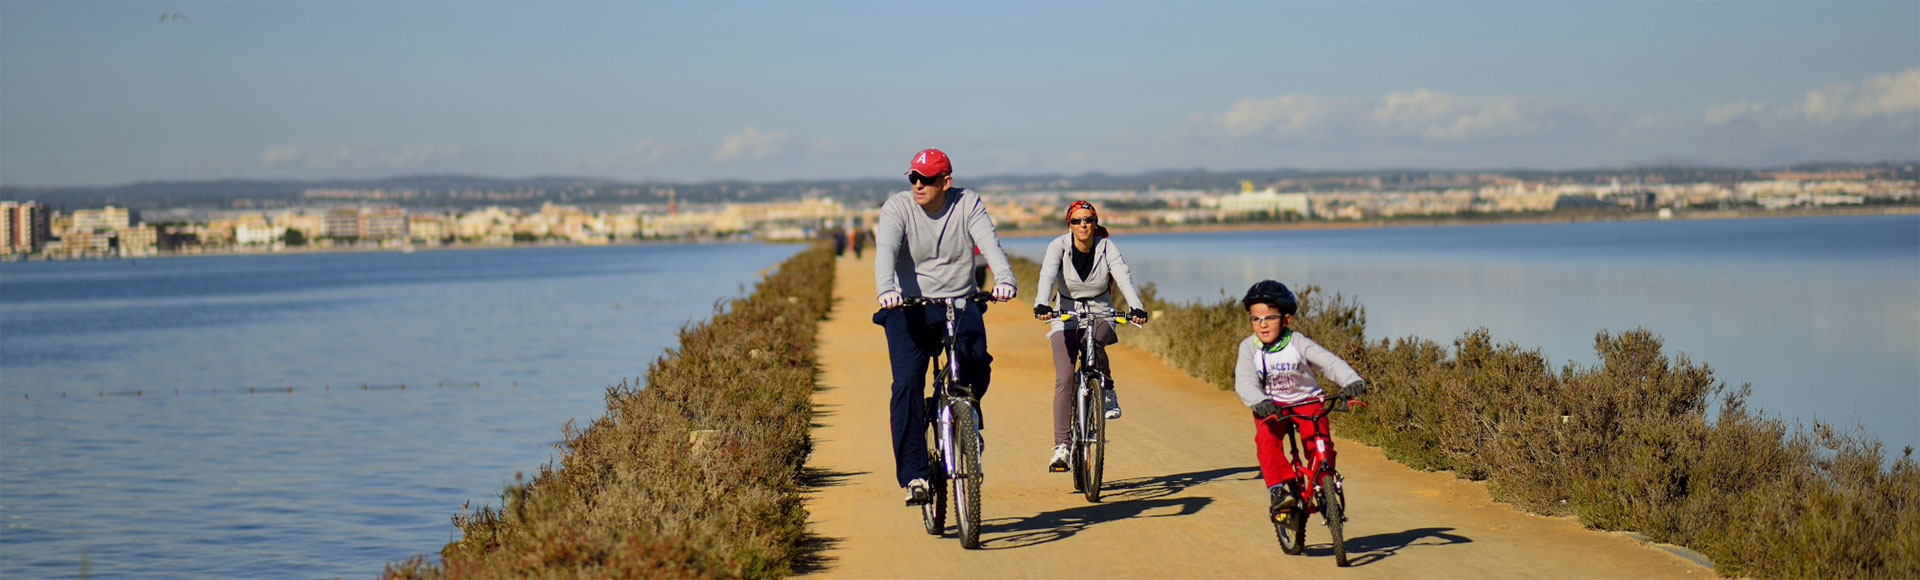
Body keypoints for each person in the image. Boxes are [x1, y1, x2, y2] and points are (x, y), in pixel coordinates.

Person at [873, 148, 1018, 506]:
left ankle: (966, 418)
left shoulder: (967, 203)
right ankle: (915, 476)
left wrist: (1005, 278)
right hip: (909, 306)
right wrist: (887, 290)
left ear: (945, 182)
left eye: (926, 179)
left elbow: (990, 244)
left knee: (977, 361)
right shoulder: (898, 208)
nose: (918, 185)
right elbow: (886, 250)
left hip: (959, 300)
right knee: (906, 384)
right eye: (913, 178)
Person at [1031, 200, 1148, 472]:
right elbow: (1047, 275)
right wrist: (1041, 303)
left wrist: (1136, 306)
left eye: (1088, 220)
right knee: (1065, 377)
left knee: (1094, 341)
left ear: (1096, 224)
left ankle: (1106, 389)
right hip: (1066, 315)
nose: (1083, 225)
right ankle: (1062, 447)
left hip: (1100, 312)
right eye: (1077, 221)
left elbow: (1122, 276)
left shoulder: (1106, 247)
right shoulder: (1057, 247)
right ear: (1068, 225)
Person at [1233, 280, 1367, 519]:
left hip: (1307, 402)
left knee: (1319, 442)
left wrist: (1350, 380)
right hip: (1270, 406)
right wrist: (1258, 401)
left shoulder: (1297, 343)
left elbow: (1329, 363)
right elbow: (1244, 381)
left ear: (1286, 319)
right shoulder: (1249, 348)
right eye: (1256, 319)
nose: (1262, 325)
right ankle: (1278, 490)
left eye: (1270, 318)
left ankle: (1324, 485)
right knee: (1266, 441)